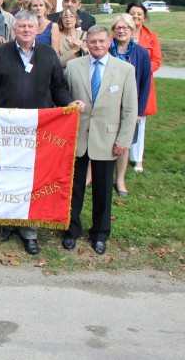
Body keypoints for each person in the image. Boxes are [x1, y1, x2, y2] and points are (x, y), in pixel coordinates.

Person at [0, 11, 82, 255]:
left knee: (32, 180)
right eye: (22, 26)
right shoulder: (1, 54)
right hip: (7, 128)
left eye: (30, 26)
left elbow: (58, 87)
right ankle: (7, 223)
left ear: (37, 29)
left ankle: (29, 231)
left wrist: (68, 104)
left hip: (38, 130)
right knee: (8, 176)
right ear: (14, 30)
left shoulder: (48, 54)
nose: (26, 30)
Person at [63, 26, 137, 255]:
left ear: (109, 41)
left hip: (108, 139)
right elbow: (63, 98)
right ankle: (71, 230)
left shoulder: (125, 70)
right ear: (87, 43)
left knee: (103, 191)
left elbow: (130, 109)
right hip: (77, 137)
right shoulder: (73, 66)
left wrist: (123, 140)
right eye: (92, 41)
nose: (97, 45)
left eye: (101, 41)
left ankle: (100, 234)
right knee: (74, 189)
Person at [109, 14, 151, 196]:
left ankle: (120, 180)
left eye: (125, 27)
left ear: (132, 30)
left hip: (129, 105)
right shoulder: (106, 49)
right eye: (118, 27)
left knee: (124, 142)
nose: (121, 30)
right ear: (113, 30)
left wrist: (139, 111)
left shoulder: (140, 53)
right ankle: (92, 175)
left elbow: (145, 83)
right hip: (108, 103)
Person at [127, 3, 162, 174]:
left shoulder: (151, 37)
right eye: (132, 13)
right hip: (123, 82)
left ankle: (137, 158)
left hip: (142, 83)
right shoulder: (119, 33)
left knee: (139, 121)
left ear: (144, 17)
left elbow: (156, 60)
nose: (136, 17)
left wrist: (143, 71)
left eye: (139, 14)